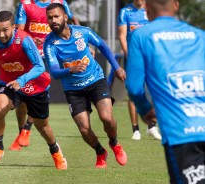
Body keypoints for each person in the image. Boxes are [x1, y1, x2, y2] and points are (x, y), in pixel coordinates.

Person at [0, 10, 67, 170]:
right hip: (9, 84)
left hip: (35, 86)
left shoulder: (24, 40)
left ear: (13, 27)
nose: (1, 34)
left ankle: (55, 150)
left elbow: (40, 67)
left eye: (5, 29)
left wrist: (22, 80)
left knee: (43, 127)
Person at [126, 0, 205, 183]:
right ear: (176, 5)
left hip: (182, 133)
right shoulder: (199, 35)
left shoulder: (141, 36)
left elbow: (135, 87)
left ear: (147, 8)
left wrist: (145, 110)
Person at [43, 3, 127, 168]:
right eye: (50, 18)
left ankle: (115, 143)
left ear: (65, 17)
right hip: (74, 90)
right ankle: (100, 151)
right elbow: (54, 71)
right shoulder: (50, 44)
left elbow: (102, 46)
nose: (53, 20)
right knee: (84, 129)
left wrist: (116, 67)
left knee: (106, 118)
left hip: (95, 81)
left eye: (56, 16)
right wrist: (71, 70)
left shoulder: (83, 32)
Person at [9, 0, 81, 151]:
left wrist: (82, 44)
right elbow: (19, 31)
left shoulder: (60, 3)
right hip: (30, 55)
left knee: (39, 92)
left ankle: (26, 130)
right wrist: (30, 38)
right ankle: (21, 131)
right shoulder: (26, 4)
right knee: (21, 95)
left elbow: (72, 23)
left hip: (52, 53)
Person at [118, 0, 161, 140]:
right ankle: (135, 129)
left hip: (150, 56)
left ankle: (152, 126)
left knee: (154, 90)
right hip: (133, 57)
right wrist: (129, 55)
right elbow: (122, 36)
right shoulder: (125, 12)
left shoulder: (151, 9)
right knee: (134, 91)